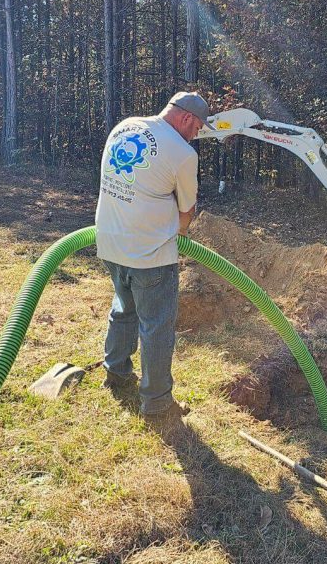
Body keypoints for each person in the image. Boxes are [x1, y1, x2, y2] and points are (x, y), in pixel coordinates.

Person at [95, 91, 213, 430]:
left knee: (123, 307)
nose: (196, 135)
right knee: (157, 326)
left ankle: (116, 373)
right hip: (150, 254)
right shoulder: (182, 153)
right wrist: (182, 233)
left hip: (110, 241)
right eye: (197, 128)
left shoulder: (125, 126)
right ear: (188, 119)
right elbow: (186, 213)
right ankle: (158, 403)